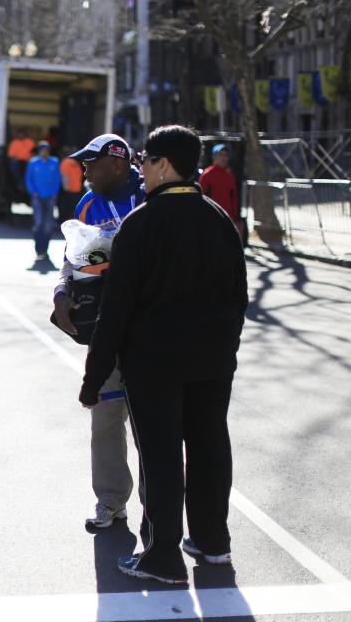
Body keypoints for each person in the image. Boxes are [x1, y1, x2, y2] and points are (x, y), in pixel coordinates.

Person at [80, 125, 248, 585]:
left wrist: (93, 380)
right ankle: (213, 542)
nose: (140, 168)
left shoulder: (142, 223)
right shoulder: (218, 219)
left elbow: (116, 310)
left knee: (161, 456)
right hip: (212, 360)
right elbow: (239, 297)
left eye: (145, 160)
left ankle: (162, 556)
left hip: (154, 362)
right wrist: (226, 351)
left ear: (164, 165)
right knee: (211, 446)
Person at [53, 133, 144, 530]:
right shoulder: (87, 203)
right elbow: (73, 258)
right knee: (105, 416)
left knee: (150, 425)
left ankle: (159, 510)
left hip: (150, 329)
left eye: (91, 163)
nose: (84, 170)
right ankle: (110, 501)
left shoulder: (150, 193)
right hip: (107, 329)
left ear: (117, 163)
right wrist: (62, 291)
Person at [24, 141, 61, 261]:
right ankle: (38, 250)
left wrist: (55, 193)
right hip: (37, 197)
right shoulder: (33, 162)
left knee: (48, 226)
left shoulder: (54, 162)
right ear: (39, 151)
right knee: (39, 223)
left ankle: (45, 250)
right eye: (42, 150)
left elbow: (57, 179)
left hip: (50, 197)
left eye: (46, 150)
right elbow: (28, 179)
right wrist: (33, 192)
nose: (44, 152)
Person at [199, 144, 242, 238]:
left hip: (228, 220)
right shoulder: (206, 175)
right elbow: (200, 198)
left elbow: (234, 198)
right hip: (211, 220)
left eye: (226, 155)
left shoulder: (230, 176)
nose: (224, 158)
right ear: (214, 157)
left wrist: (236, 219)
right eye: (220, 155)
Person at [58, 146, 85, 222]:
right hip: (71, 191)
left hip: (72, 192)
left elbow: (65, 177)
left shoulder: (68, 162)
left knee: (67, 211)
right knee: (69, 211)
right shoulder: (72, 163)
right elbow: (65, 177)